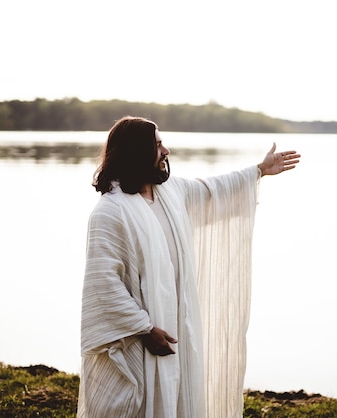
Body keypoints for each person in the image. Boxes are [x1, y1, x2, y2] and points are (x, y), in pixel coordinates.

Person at [77, 116, 300, 418]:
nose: (166, 150)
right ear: (137, 151)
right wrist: (144, 329)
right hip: (137, 337)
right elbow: (103, 285)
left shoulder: (170, 193)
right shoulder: (110, 212)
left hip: (175, 327)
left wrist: (259, 171)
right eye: (157, 145)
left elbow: (213, 192)